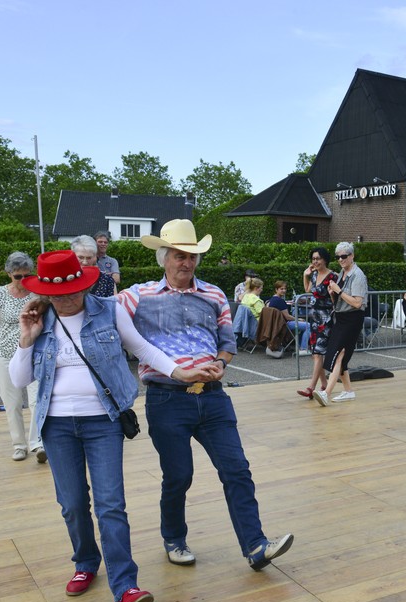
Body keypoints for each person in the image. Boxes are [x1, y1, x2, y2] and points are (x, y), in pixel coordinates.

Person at [9, 250, 212, 602]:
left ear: (83, 284)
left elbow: (142, 347)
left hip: (103, 421)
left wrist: (180, 372)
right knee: (71, 505)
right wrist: (26, 338)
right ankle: (86, 562)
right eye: (57, 294)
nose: (66, 299)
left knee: (110, 505)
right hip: (55, 425)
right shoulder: (38, 319)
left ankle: (125, 585)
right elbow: (20, 380)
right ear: (46, 293)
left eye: (73, 291)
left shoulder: (109, 310)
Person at [116, 219, 294, 572]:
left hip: (212, 395)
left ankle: (256, 546)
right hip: (167, 399)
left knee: (237, 470)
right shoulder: (137, 295)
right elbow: (95, 311)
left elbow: (227, 344)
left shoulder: (213, 294)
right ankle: (174, 538)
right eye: (180, 256)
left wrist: (219, 364)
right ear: (164, 258)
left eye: (192, 256)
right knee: (179, 476)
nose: (187, 263)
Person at [0, 252, 42, 462]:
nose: (23, 280)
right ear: (8, 274)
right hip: (4, 351)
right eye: (18, 276)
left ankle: (38, 442)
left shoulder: (38, 293)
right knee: (11, 402)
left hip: (32, 350)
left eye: (26, 275)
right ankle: (19, 445)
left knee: (37, 399)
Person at [312, 242, 368, 405]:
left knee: (340, 354)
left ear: (352, 256)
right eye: (338, 257)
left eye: (344, 256)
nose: (341, 260)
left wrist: (339, 291)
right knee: (335, 354)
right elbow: (338, 300)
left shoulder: (357, 275)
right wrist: (332, 294)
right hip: (341, 317)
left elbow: (357, 303)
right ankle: (348, 391)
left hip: (353, 318)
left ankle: (326, 393)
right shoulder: (343, 273)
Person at [297, 247, 336, 398]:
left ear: (325, 259)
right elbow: (308, 289)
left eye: (318, 258)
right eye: (313, 259)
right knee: (315, 353)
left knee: (318, 353)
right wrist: (305, 275)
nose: (315, 261)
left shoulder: (332, 276)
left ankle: (310, 387)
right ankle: (324, 384)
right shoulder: (314, 275)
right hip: (314, 317)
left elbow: (336, 298)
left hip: (325, 318)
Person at [266, 281, 311, 356]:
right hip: (284, 324)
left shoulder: (272, 300)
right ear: (276, 289)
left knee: (302, 325)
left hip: (276, 324)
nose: (284, 290)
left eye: (285, 289)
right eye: (281, 289)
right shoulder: (280, 301)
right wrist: (298, 319)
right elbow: (287, 317)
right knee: (308, 325)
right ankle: (303, 348)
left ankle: (299, 347)